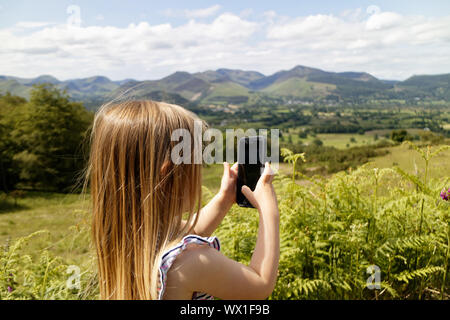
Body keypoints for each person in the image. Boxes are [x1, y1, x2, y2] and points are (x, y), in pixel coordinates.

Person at [86, 100, 279, 300]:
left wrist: (224, 198)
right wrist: (269, 212)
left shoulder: (128, 235)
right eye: (197, 165)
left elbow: (189, 231)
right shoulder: (190, 261)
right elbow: (259, 286)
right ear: (170, 176)